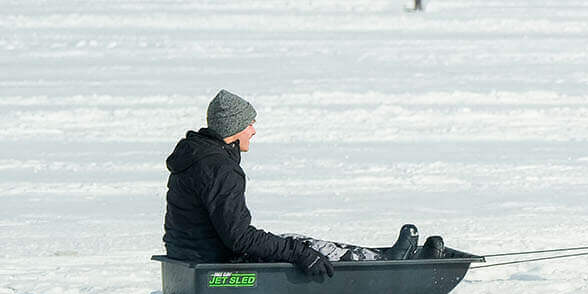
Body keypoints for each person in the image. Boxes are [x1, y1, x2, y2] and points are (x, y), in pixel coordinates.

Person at [163, 90, 425, 277]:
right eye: (250, 124)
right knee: (303, 247)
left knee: (291, 245)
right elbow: (239, 238)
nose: (254, 130)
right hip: (212, 262)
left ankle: (378, 258)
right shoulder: (219, 169)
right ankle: (386, 265)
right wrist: (297, 254)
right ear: (233, 128)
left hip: (189, 256)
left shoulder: (196, 156)